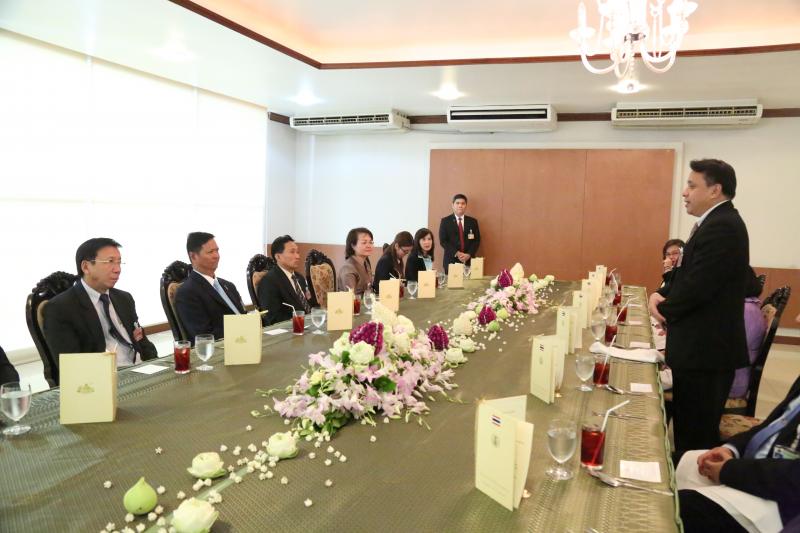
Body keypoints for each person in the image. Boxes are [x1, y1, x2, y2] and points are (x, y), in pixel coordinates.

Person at [648, 159, 750, 459]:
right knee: (688, 429)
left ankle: (688, 486)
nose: (685, 192)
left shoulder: (723, 227)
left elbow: (699, 286)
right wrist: (661, 294)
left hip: (707, 354)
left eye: (692, 186)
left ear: (715, 190)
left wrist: (664, 309)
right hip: (700, 352)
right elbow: (686, 275)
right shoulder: (713, 223)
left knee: (695, 436)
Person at [676, 374, 800, 532]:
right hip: (753, 468)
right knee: (666, 464)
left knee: (673, 508)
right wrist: (730, 449)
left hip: (780, 503)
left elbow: (793, 477)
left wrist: (729, 470)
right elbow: (771, 426)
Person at [43, 238, 157, 383]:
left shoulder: (124, 298)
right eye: (110, 261)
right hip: (103, 382)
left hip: (142, 372)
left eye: (119, 262)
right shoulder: (61, 308)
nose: (117, 269)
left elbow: (143, 343)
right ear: (86, 267)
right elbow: (73, 366)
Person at [175, 232, 246, 342]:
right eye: (210, 252)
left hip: (246, 339)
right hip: (224, 346)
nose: (216, 256)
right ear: (193, 256)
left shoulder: (229, 285)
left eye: (217, 250)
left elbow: (243, 316)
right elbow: (203, 335)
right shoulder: (187, 293)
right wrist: (241, 330)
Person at [729, 268, 767, 399]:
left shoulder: (746, 311)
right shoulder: (745, 306)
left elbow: (732, 353)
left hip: (732, 381)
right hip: (730, 373)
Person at [257, 235, 312, 325]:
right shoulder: (269, 281)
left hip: (309, 324)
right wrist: (301, 321)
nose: (297, 256)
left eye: (298, 252)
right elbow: (273, 317)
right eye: (292, 252)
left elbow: (309, 305)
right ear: (278, 257)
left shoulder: (300, 278)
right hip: (291, 328)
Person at [439, 194, 481, 273]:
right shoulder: (445, 221)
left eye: (463, 203)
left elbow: (477, 240)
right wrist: (457, 253)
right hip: (451, 261)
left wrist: (469, 254)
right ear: (452, 205)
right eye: (457, 203)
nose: (460, 205)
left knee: (469, 281)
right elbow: (443, 241)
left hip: (469, 261)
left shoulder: (473, 222)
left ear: (466, 205)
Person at [338, 227, 374, 297]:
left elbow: (369, 290)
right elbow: (350, 297)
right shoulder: (348, 268)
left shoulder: (365, 263)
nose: (369, 245)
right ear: (353, 246)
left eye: (371, 242)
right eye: (364, 242)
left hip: (366, 301)